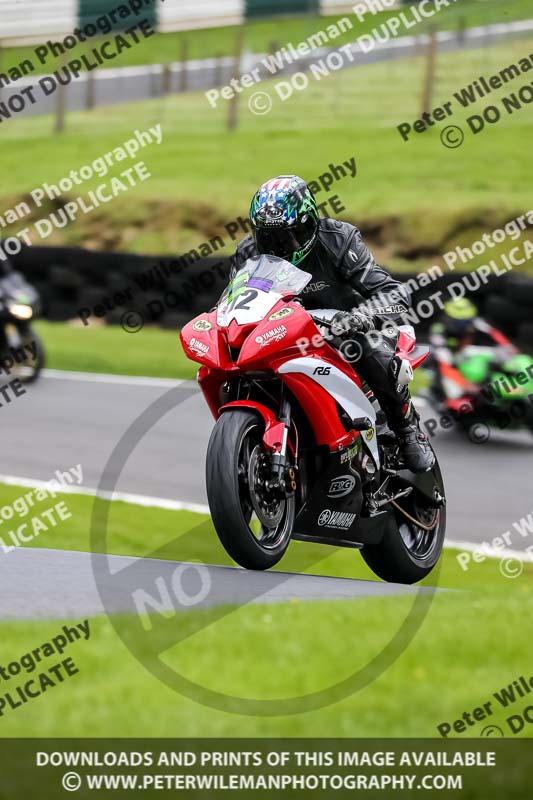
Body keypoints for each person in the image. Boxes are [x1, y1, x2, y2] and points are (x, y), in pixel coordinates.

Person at [229, 175, 435, 472]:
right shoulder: (248, 252)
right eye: (268, 237)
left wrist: (362, 317)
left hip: (347, 327)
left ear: (309, 223)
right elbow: (235, 300)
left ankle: (407, 432)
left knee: (366, 347)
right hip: (285, 334)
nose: (278, 246)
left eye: (288, 235)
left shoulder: (339, 240)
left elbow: (394, 292)